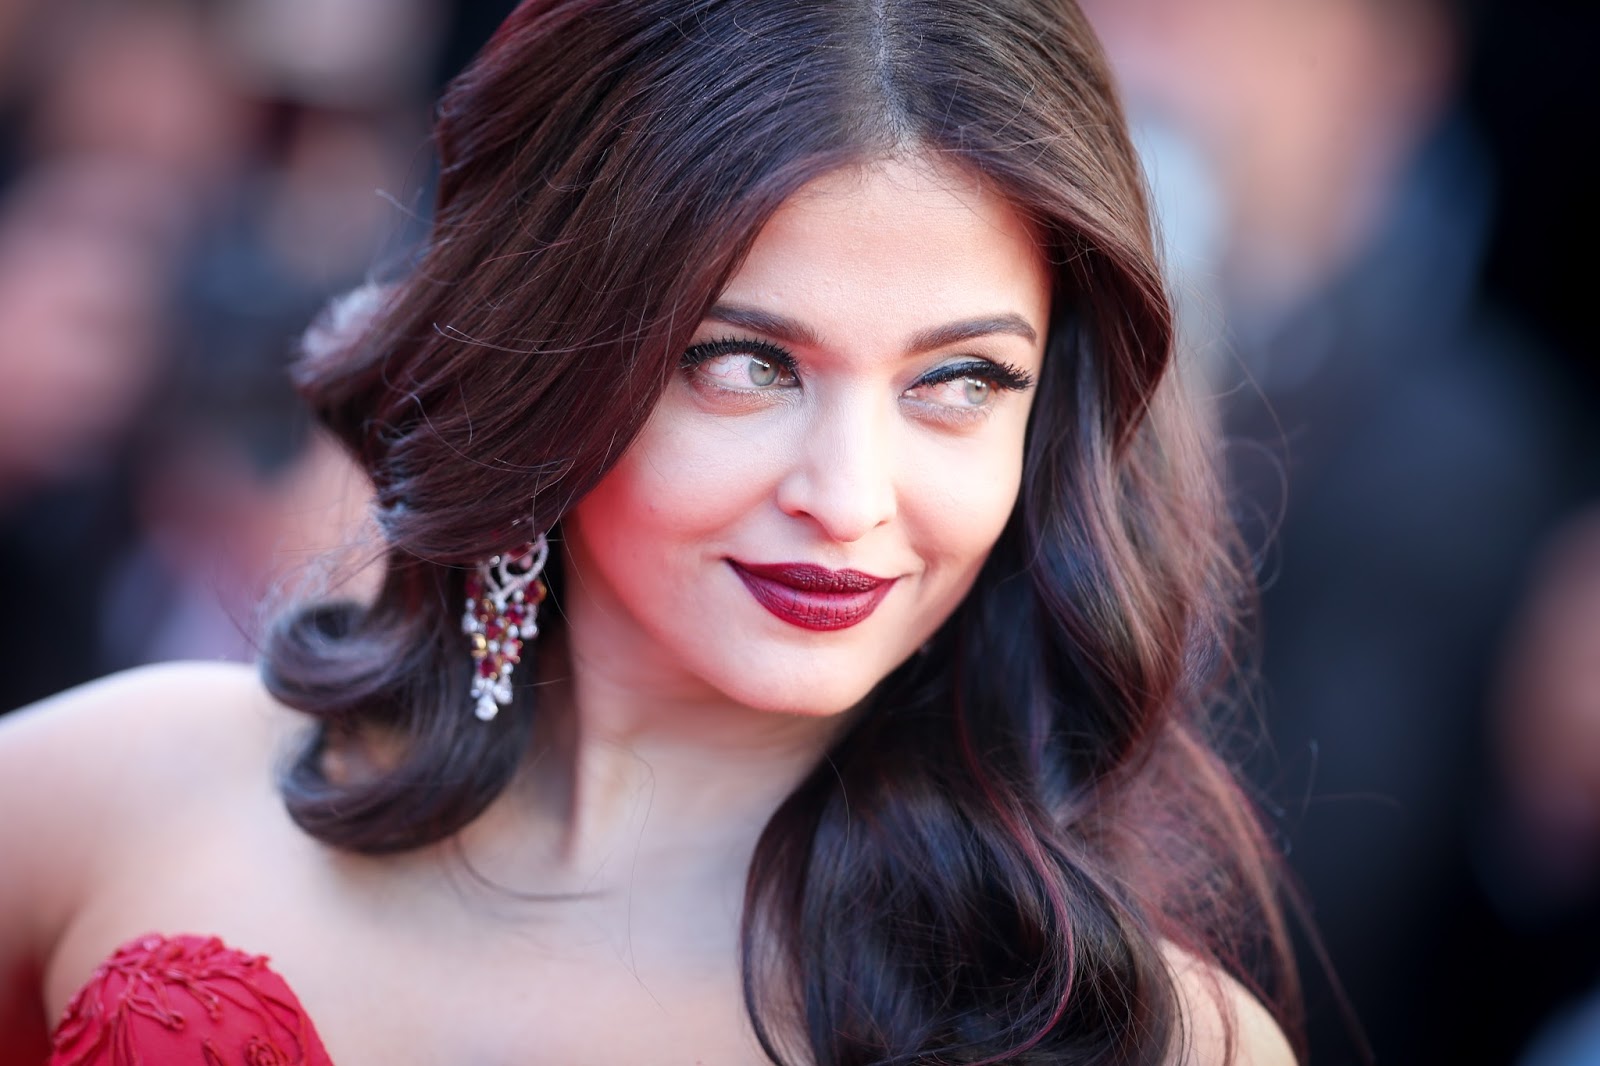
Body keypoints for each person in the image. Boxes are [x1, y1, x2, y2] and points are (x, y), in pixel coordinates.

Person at [0, 1, 1303, 1062]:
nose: (848, 495)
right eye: (744, 364)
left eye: (957, 383)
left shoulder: (1140, 1040)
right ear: (547, 345)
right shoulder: (113, 793)